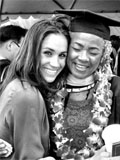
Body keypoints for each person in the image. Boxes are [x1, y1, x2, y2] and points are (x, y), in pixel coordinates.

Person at [45, 10, 120, 160]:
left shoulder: (116, 88)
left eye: (93, 52)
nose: (83, 58)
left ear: (104, 54)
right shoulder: (48, 85)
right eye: (76, 48)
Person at [0, 16, 71, 160]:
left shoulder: (18, 82)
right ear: (31, 50)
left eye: (62, 55)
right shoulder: (27, 95)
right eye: (47, 53)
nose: (56, 63)